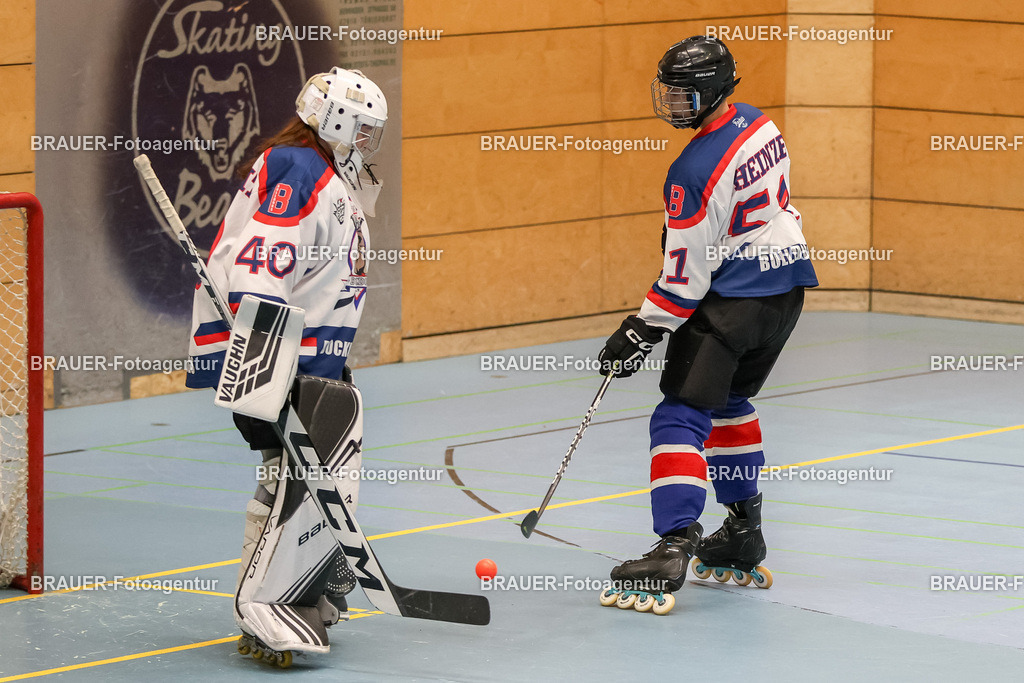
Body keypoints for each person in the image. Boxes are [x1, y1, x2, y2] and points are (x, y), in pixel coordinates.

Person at [598, 36, 817, 604]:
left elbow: (684, 281)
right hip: (787, 290)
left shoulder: (690, 171)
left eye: (684, 94)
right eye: (669, 92)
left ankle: (673, 545)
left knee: (679, 415)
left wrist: (640, 329)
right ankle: (744, 533)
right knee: (730, 404)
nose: (672, 103)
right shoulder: (760, 123)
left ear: (714, 89)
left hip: (736, 299)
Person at [184, 67, 388, 660]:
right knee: (297, 483)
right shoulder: (297, 168)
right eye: (365, 128)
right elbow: (261, 267)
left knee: (296, 479)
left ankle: (294, 589)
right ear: (338, 121)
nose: (369, 140)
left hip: (299, 354)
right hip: (277, 352)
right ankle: (272, 603)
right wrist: (270, 361)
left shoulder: (318, 172)